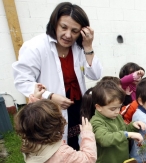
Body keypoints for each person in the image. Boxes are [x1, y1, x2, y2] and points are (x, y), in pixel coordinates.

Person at [12, 2, 102, 151]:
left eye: (74, 31)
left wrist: (88, 46)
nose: (68, 35)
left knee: (77, 147)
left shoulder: (79, 48)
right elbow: (22, 81)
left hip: (77, 106)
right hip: (49, 110)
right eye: (64, 27)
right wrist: (49, 96)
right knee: (55, 150)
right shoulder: (36, 46)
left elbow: (95, 74)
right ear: (55, 23)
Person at [89, 80, 145, 163]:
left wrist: (132, 126)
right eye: (112, 109)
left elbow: (124, 130)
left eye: (119, 107)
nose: (117, 111)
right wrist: (128, 134)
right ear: (98, 107)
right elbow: (104, 138)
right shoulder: (96, 122)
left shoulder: (116, 116)